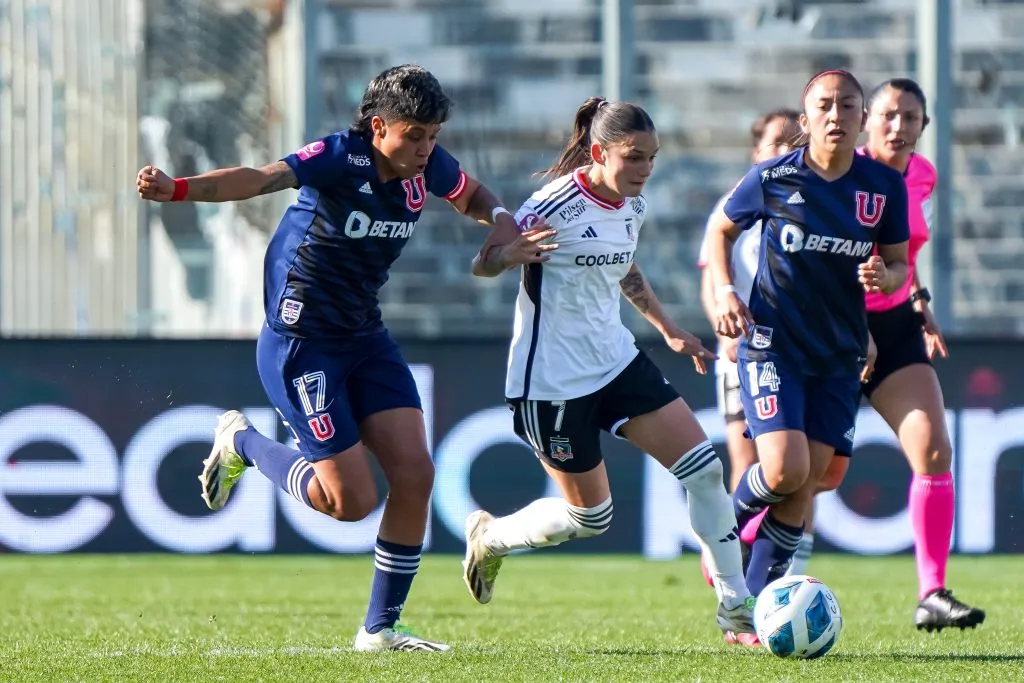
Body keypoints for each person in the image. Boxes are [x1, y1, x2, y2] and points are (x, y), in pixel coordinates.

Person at [136, 64, 544, 653]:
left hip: (364, 337)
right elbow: (256, 179)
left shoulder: (427, 167)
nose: (427, 149)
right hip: (302, 346)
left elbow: (477, 197)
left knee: (417, 474)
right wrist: (177, 189)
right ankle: (243, 443)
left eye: (433, 136)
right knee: (349, 503)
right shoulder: (337, 156)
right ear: (378, 127)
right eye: (415, 136)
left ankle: (380, 630)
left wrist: (503, 224)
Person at [461, 97, 758, 643]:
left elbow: (622, 267)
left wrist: (667, 328)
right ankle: (492, 537)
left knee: (707, 472)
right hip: (550, 386)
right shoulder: (549, 206)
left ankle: (736, 608)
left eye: (652, 158)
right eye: (634, 157)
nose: (645, 170)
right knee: (592, 519)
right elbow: (483, 263)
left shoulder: (632, 205)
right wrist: (505, 257)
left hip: (617, 362)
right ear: (599, 152)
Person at [778, 78, 984, 630]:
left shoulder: (923, 176)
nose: (899, 127)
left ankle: (932, 592)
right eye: (889, 115)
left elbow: (903, 252)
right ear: (868, 120)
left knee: (934, 448)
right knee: (812, 475)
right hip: (831, 328)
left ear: (923, 127)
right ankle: (762, 570)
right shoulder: (840, 172)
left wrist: (919, 301)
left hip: (894, 326)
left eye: (911, 118)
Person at [703, 70, 911, 617]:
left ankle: (744, 607)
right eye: (825, 105)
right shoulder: (774, 176)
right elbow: (719, 230)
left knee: (808, 484)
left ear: (862, 118)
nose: (836, 114)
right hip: (774, 345)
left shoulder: (884, 186)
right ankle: (721, 532)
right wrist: (724, 291)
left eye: (847, 105)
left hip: (839, 354)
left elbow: (898, 262)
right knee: (782, 471)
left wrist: (887, 279)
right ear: (806, 119)